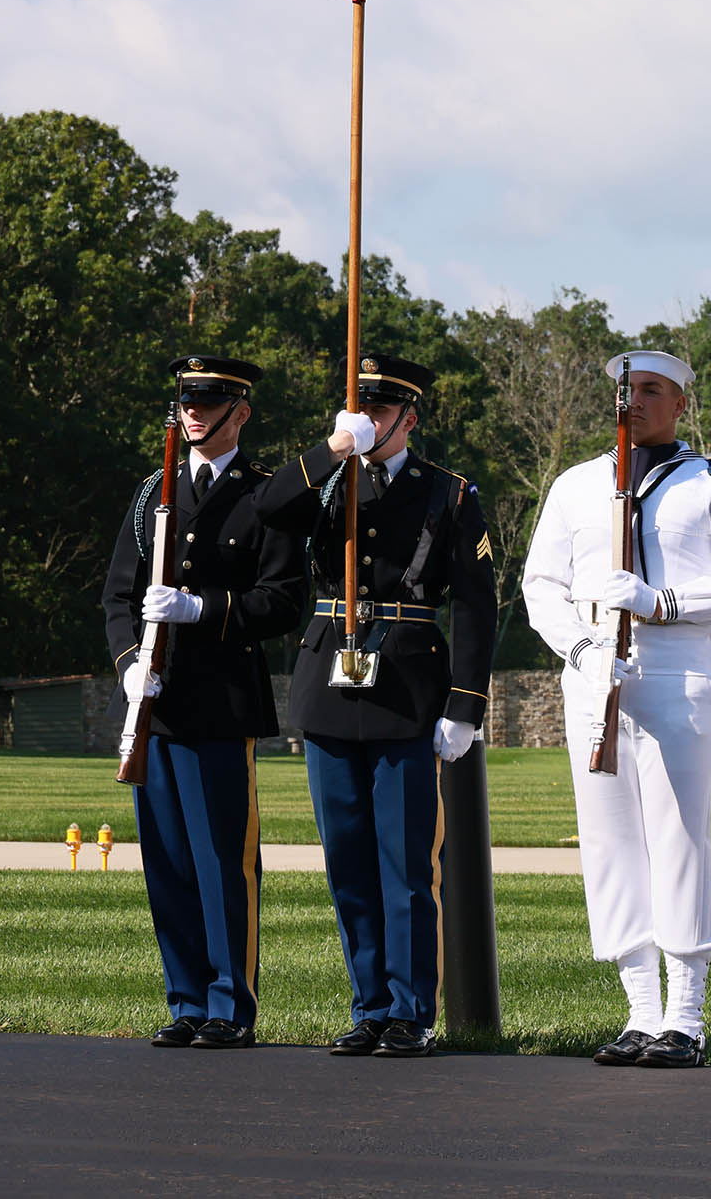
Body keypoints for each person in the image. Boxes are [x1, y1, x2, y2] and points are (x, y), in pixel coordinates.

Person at [521, 350, 711, 1070]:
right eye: (627, 389)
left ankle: (686, 1017)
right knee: (609, 843)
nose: (634, 400)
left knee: (677, 837)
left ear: (681, 404)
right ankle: (639, 1010)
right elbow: (542, 584)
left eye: (652, 390)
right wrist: (578, 648)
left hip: (679, 670)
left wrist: (663, 603)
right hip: (595, 672)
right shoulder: (575, 486)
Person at [255, 354, 495, 1058]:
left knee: (405, 861)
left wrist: (467, 704)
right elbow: (266, 508)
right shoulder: (330, 479)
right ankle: (369, 1006)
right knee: (348, 859)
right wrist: (332, 450)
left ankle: (411, 1012)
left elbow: (477, 605)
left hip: (407, 686)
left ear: (408, 419)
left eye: (379, 413)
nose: (366, 422)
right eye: (357, 411)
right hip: (329, 679)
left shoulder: (446, 493)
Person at [103, 355, 308, 1051]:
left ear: (239, 411)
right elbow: (118, 599)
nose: (194, 410)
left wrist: (202, 607)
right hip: (156, 708)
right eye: (187, 398)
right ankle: (186, 999)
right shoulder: (152, 493)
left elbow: (283, 601)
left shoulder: (266, 496)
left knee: (224, 860)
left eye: (210, 399)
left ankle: (229, 1004)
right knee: (166, 859)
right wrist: (132, 666)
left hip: (221, 704)